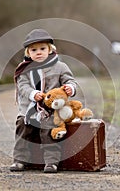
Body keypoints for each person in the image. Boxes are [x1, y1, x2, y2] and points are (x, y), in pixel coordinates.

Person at [10, 29, 78, 173]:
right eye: (34, 50)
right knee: (22, 125)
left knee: (49, 129)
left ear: (50, 50)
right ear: (28, 53)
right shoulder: (25, 69)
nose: (38, 52)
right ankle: (20, 160)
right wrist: (33, 94)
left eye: (42, 49)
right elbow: (22, 86)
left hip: (51, 109)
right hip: (29, 108)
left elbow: (69, 80)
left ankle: (52, 162)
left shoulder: (60, 66)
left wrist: (70, 88)